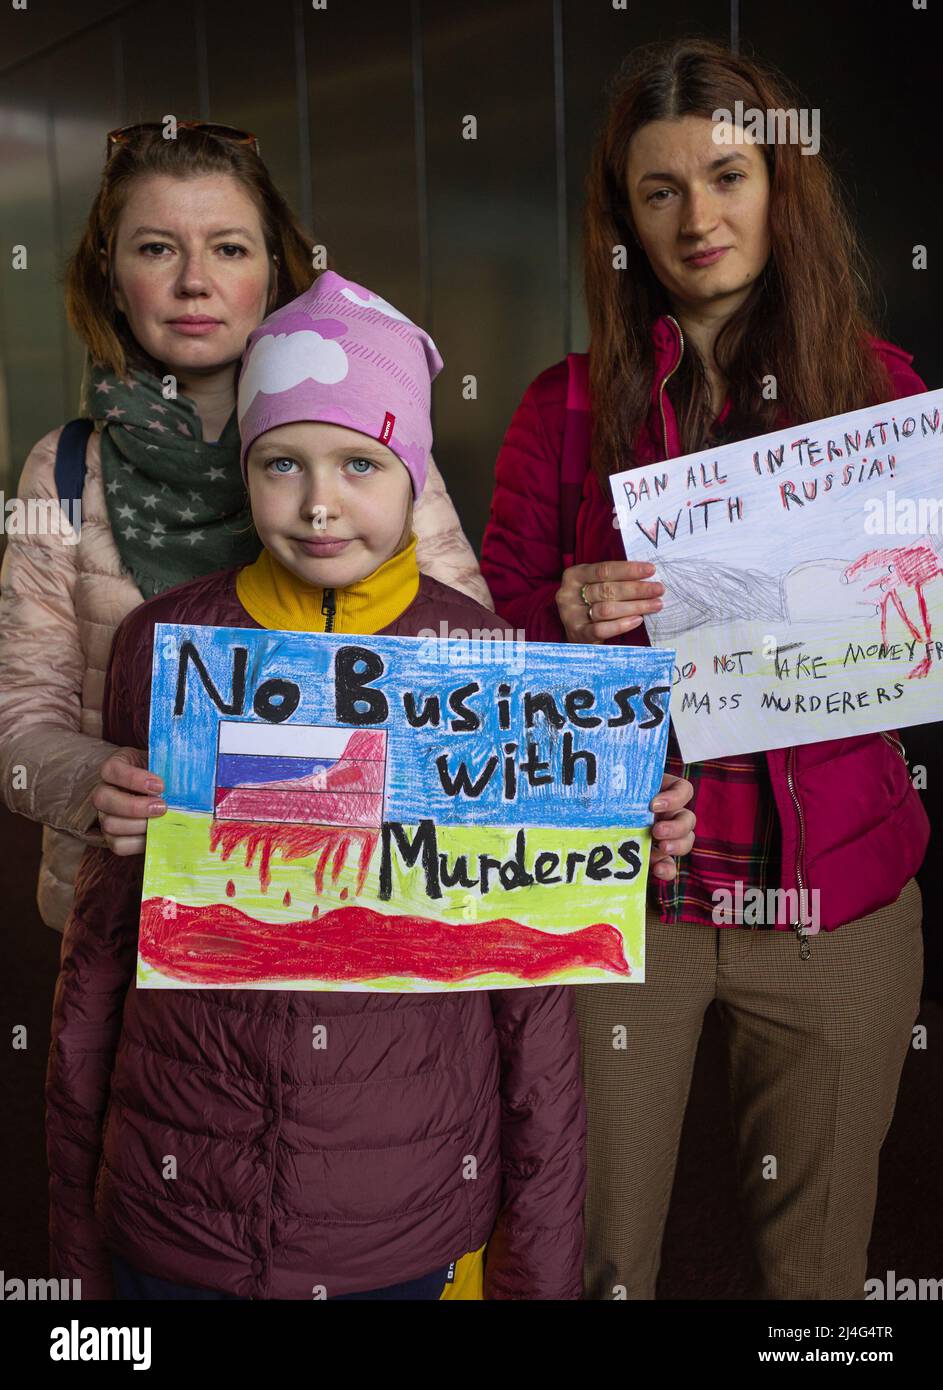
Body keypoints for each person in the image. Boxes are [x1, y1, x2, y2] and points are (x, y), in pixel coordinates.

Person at [480, 38, 930, 1300]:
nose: (698, 218)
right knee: (589, 1256)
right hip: (626, 903)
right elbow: (480, 655)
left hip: (831, 905)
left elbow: (915, 630)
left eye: (727, 177)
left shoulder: (879, 397)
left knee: (820, 1269)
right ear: (621, 216)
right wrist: (559, 618)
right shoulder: (560, 409)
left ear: (781, 188)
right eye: (658, 190)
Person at [45, 270, 588, 1302]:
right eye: (281, 462)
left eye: (362, 463)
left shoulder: (482, 659)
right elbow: (99, 951)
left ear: (413, 474)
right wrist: (80, 1228)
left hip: (403, 1207)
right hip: (180, 1195)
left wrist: (539, 1267)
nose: (321, 501)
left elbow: (534, 998)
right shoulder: (161, 645)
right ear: (245, 471)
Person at [0, 121, 488, 935]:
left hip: (353, 885)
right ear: (112, 280)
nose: (195, 283)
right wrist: (93, 782)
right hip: (133, 904)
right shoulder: (62, 466)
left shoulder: (381, 445)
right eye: (156, 249)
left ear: (274, 272)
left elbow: (471, 673)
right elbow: (19, 722)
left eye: (228, 249)